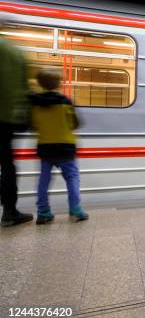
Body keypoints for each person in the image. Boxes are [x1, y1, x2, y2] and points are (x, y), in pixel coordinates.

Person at [30, 69, 88, 224]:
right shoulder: (66, 101)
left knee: (44, 179)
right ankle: (75, 209)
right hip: (65, 146)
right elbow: (75, 123)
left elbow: (34, 125)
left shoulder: (35, 103)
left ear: (40, 84)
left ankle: (43, 212)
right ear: (58, 83)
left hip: (45, 146)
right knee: (72, 177)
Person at [0, 22, 33, 227]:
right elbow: (24, 89)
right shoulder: (15, 52)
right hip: (6, 119)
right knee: (7, 166)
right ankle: (9, 212)